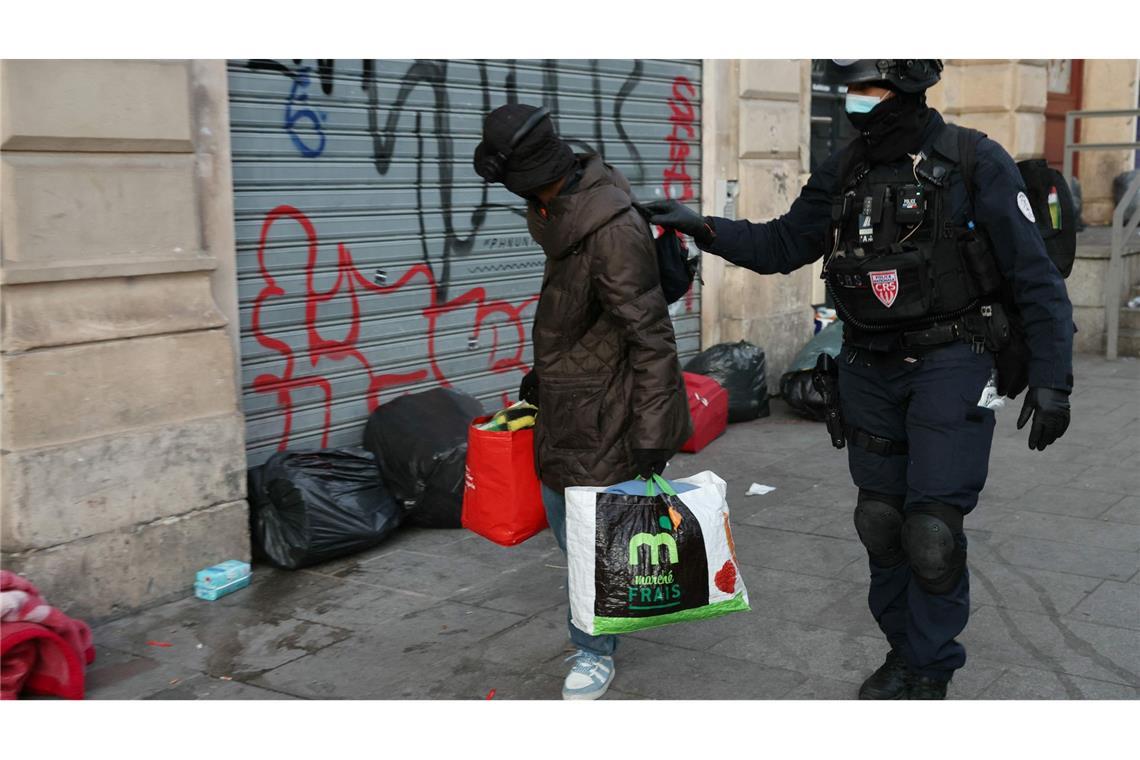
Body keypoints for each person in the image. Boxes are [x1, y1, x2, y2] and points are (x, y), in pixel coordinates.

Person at [643, 59, 1074, 699]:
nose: (856, 103)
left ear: (905, 89)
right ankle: (903, 650)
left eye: (868, 89)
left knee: (931, 529)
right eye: (850, 90)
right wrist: (702, 227)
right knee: (880, 518)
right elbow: (783, 244)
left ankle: (931, 666)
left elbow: (1034, 272)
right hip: (866, 362)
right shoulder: (846, 168)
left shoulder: (976, 161)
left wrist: (1053, 378)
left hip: (951, 357)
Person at [473, 103, 692, 700]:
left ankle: (593, 651)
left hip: (606, 412)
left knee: (586, 539)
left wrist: (653, 428)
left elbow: (651, 335)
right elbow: (581, 314)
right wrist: (545, 375)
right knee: (573, 531)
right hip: (568, 398)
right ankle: (603, 625)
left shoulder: (608, 228)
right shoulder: (560, 205)